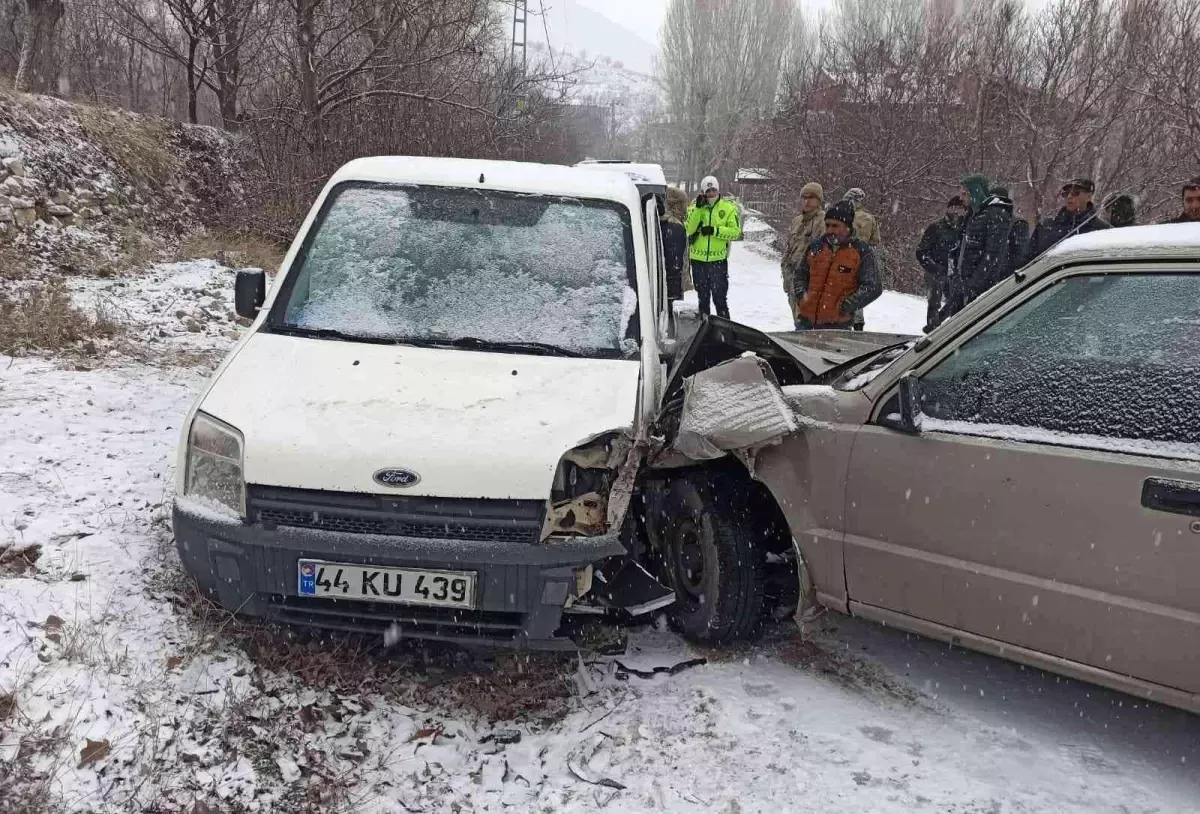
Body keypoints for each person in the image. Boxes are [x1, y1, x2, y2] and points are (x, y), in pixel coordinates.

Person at [791, 200, 882, 330]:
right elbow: (800, 274)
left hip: (837, 327)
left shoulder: (862, 251)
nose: (829, 230)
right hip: (805, 323)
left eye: (835, 226)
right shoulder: (816, 246)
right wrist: (802, 297)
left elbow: (873, 287)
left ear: (847, 227)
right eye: (827, 225)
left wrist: (845, 306)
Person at [685, 175, 742, 319]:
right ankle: (704, 331)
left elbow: (735, 232)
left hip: (718, 260)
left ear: (718, 190)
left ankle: (725, 332)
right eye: (708, 190)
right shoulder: (694, 208)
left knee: (720, 299)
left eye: (713, 190)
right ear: (703, 192)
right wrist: (698, 209)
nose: (711, 193)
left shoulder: (728, 208)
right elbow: (689, 230)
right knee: (703, 299)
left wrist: (714, 230)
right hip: (698, 260)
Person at [941, 173, 991, 320]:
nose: (961, 198)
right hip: (960, 284)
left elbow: (990, 257)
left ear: (975, 193)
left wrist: (971, 285)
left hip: (975, 289)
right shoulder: (969, 217)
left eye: (964, 194)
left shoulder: (987, 217)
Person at [1026, 178, 1111, 263]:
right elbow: (1027, 261)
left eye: (1075, 193)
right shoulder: (1045, 226)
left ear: (1088, 196)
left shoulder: (1103, 230)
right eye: (1066, 193)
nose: (1069, 197)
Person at [915, 196, 965, 332]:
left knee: (955, 301)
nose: (956, 212)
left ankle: (936, 325)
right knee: (934, 303)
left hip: (955, 272)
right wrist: (934, 268)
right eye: (954, 207)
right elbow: (921, 251)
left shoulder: (963, 228)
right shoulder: (936, 227)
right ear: (948, 208)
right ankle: (932, 329)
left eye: (960, 209)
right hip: (936, 270)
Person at [782, 182, 826, 325]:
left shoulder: (823, 222)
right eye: (804, 197)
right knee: (797, 320)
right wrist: (786, 275)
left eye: (811, 197)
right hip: (792, 278)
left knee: (806, 324)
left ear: (818, 200)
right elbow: (788, 249)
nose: (806, 201)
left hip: (809, 282)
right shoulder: (797, 221)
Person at [841, 188, 879, 331]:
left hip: (845, 256)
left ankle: (843, 321)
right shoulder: (869, 217)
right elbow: (875, 240)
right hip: (863, 259)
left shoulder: (844, 215)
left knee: (844, 289)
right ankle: (858, 324)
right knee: (859, 290)